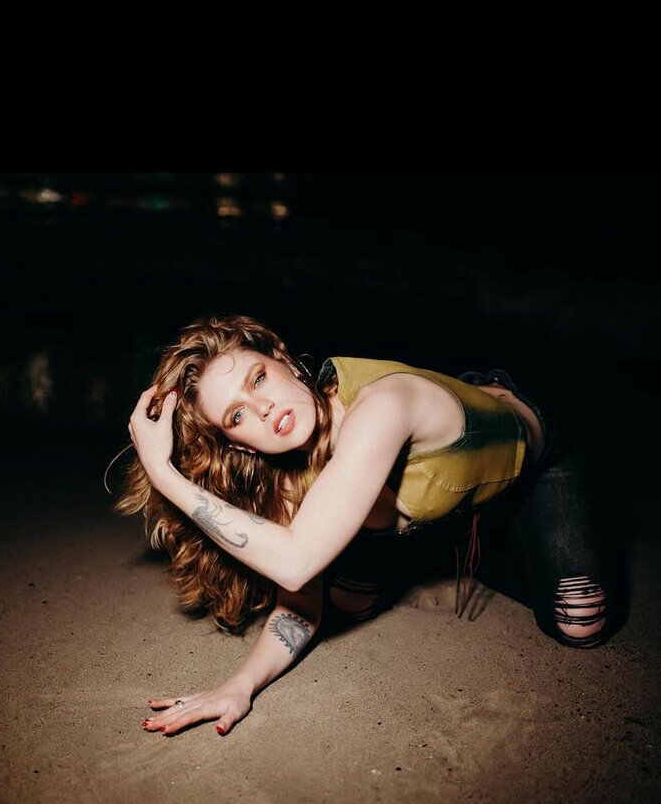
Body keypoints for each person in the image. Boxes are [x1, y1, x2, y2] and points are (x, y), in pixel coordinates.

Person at [114, 313, 615, 738]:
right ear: (239, 444)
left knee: (580, 622)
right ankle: (443, 537)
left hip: (537, 457)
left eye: (258, 378)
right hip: (433, 505)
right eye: (237, 415)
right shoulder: (287, 476)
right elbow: (301, 602)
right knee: (346, 603)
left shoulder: (384, 403)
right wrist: (238, 686)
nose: (262, 408)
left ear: (283, 359)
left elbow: (294, 561)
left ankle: (480, 537)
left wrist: (164, 473)